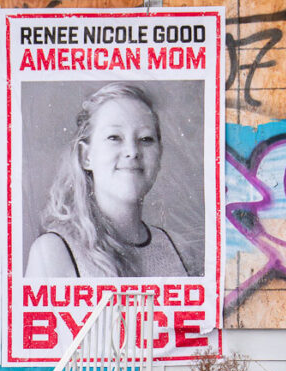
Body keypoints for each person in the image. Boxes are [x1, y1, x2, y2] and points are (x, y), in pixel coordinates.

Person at [25, 82, 189, 279]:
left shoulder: (177, 249)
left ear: (160, 154)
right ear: (86, 156)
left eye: (146, 139)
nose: (132, 152)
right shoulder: (54, 253)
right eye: (114, 137)